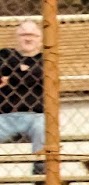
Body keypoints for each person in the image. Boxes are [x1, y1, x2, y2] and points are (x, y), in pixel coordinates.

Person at [0, 20, 44, 176]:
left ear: (40, 39)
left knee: (44, 127)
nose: (28, 38)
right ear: (17, 37)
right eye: (24, 34)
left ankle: (40, 173)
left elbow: (37, 76)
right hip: (4, 117)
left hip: (35, 116)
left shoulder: (45, 60)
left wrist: (10, 78)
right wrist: (25, 74)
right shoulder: (5, 55)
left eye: (32, 35)